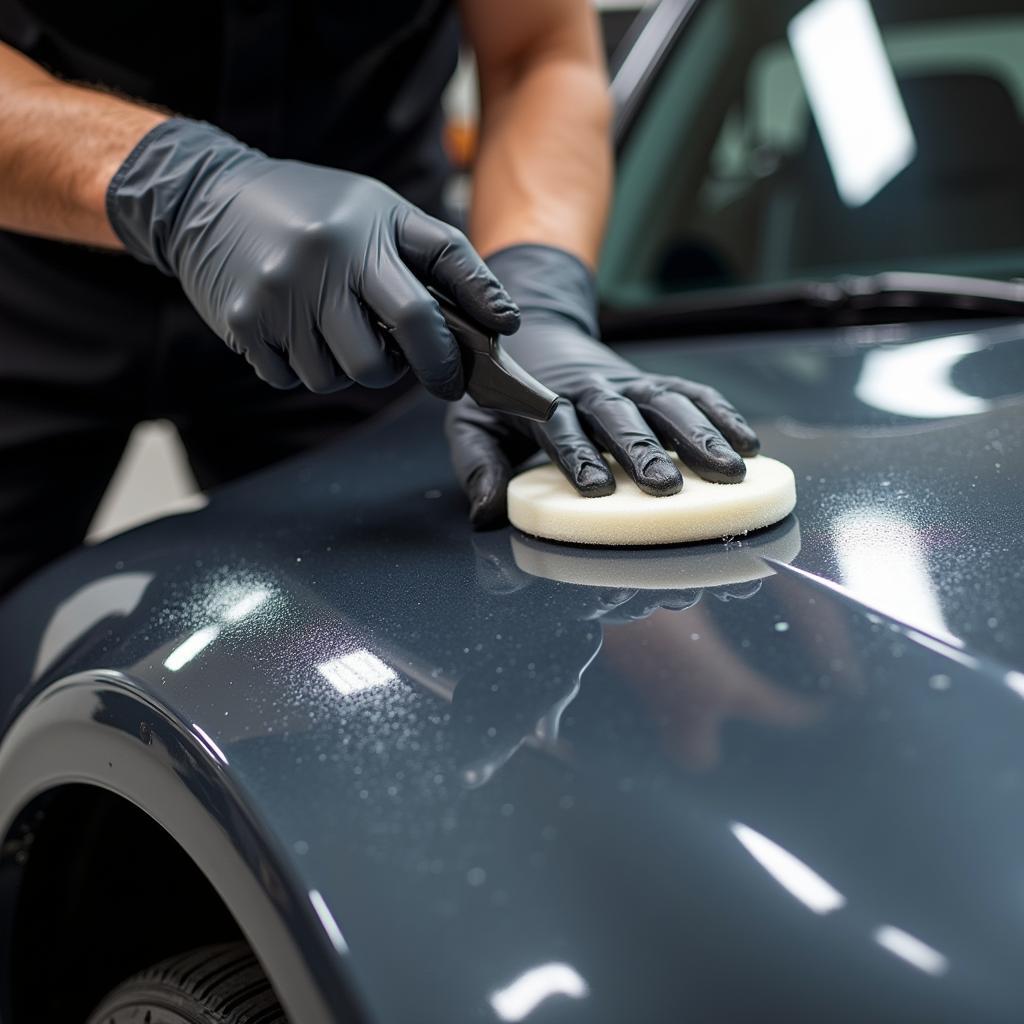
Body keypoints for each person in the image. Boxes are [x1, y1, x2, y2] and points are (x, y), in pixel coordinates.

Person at [0, 0, 759, 596]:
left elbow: (538, 54)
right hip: (25, 262)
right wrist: (177, 185)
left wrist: (535, 288)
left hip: (365, 297)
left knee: (392, 636)